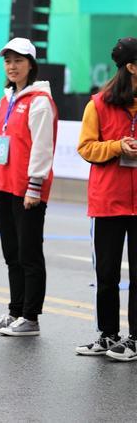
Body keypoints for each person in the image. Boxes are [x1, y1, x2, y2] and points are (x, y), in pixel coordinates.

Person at [0, 38, 57, 337]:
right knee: (11, 253)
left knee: (29, 254)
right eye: (8, 61)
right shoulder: (6, 99)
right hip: (4, 185)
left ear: (31, 65)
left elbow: (42, 147)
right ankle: (15, 310)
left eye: (19, 61)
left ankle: (31, 317)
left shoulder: (40, 101)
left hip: (27, 189)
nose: (12, 66)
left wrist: (34, 186)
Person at [75, 37, 137, 360]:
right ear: (131, 67)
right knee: (108, 273)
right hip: (108, 202)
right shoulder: (98, 104)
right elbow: (86, 147)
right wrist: (116, 146)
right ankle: (108, 335)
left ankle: (135, 339)